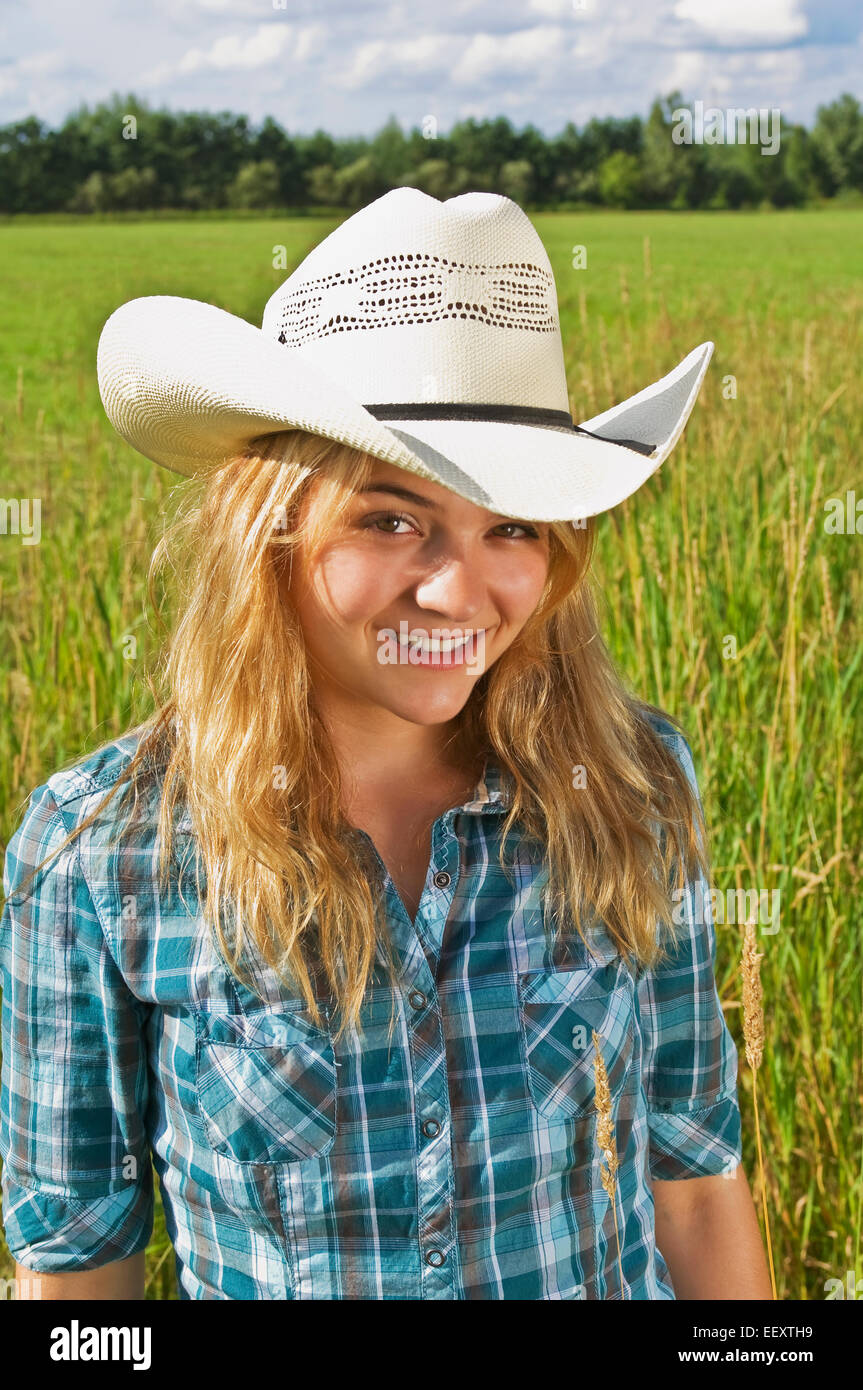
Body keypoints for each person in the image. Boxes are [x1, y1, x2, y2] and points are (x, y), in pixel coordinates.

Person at [0, 188, 772, 1300]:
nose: (461, 590)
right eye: (390, 518)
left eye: (512, 525)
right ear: (267, 526)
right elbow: (81, 1267)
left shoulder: (633, 786)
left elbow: (693, 1183)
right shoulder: (99, 852)